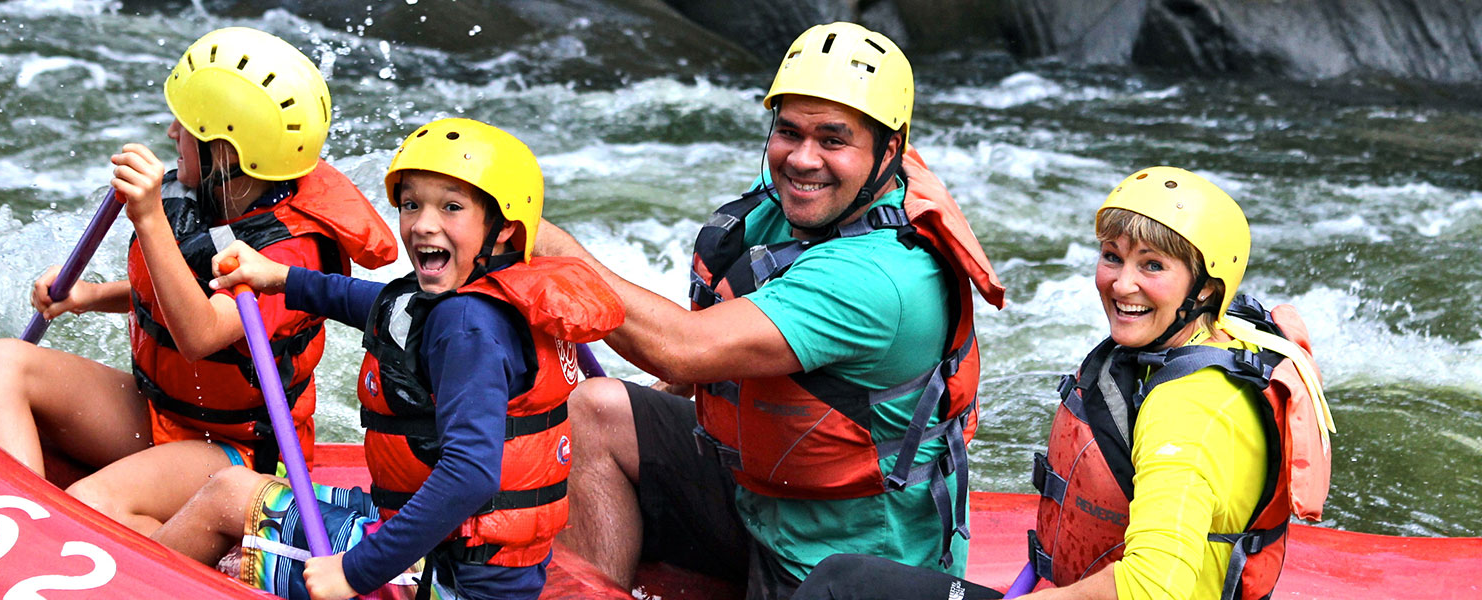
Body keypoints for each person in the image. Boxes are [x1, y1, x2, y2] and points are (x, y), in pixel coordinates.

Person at [531, 21, 1006, 599]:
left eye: (833, 139)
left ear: (891, 148)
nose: (803, 159)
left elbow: (682, 348)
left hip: (843, 560)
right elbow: (703, 355)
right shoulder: (814, 195)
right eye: (788, 131)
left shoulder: (879, 277)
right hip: (757, 494)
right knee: (597, 410)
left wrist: (543, 243)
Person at [792, 167, 1335, 600]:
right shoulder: (1210, 343)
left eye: (1153, 266)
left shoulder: (1188, 409)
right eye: (1112, 257)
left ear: (1206, 288)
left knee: (844, 585)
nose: (1122, 283)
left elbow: (1156, 586)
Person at [149, 118, 624, 600]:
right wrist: (280, 277)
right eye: (412, 204)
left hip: (447, 582)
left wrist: (353, 572)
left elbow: (471, 475)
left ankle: (126, 586)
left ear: (503, 231)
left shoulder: (468, 329)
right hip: (457, 553)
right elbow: (377, 304)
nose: (422, 224)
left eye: (452, 207)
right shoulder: (480, 299)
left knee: (228, 494)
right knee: (252, 492)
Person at [0, 27, 397, 534]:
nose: (172, 132)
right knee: (2, 360)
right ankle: (9, 518)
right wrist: (86, 297)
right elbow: (171, 294)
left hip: (238, 453)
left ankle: (188, 551)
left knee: (90, 504)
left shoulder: (291, 250)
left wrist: (148, 217)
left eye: (187, 126)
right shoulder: (210, 194)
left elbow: (201, 335)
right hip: (161, 415)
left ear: (227, 152)